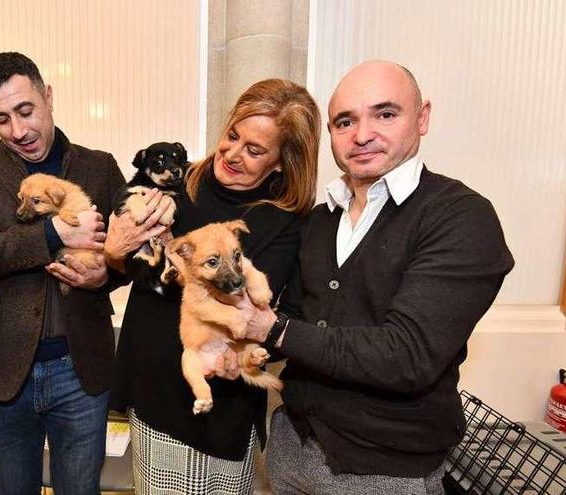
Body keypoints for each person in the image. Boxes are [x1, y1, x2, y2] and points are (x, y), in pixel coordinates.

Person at [258, 60, 514, 494]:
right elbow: (297, 316)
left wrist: (270, 328)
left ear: (423, 117)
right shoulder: (320, 221)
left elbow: (406, 355)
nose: (361, 135)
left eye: (385, 114)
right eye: (345, 122)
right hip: (290, 447)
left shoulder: (459, 216)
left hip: (384, 473)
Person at [105, 79, 320, 494]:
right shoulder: (176, 183)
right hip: (152, 391)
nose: (232, 154)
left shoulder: (281, 222)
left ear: (281, 162)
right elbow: (125, 264)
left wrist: (169, 253)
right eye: (232, 136)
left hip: (215, 406)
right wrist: (115, 250)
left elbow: (244, 303)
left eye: (255, 150)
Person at [0, 52, 128, 494]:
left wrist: (106, 277)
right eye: (1, 118)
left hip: (81, 370)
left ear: (47, 95)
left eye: (25, 111)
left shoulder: (98, 165)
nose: (18, 131)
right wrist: (54, 232)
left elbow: (129, 255)